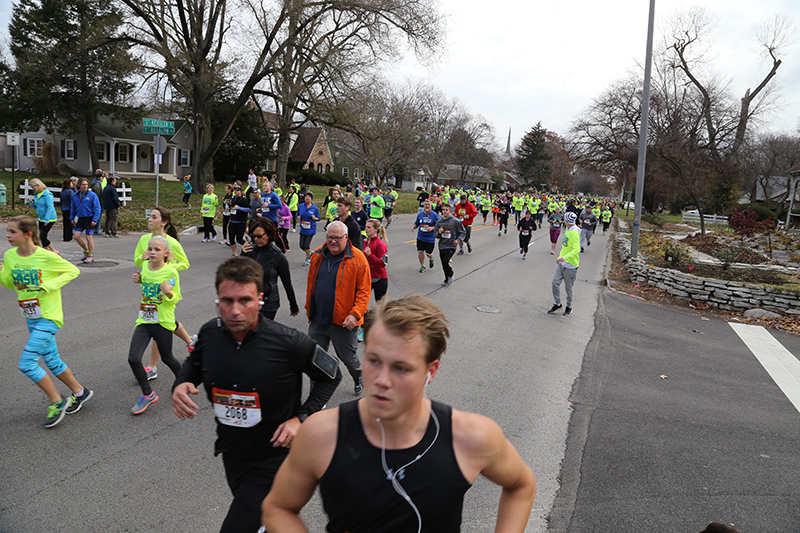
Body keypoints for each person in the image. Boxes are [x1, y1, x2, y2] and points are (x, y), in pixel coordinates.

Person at [262, 294, 537, 532]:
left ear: (431, 371)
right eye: (373, 361)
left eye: (400, 368)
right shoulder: (322, 433)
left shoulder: (471, 436)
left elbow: (521, 485)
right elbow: (278, 507)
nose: (382, 379)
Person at [172, 256, 342, 533]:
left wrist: (302, 418)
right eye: (227, 301)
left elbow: (331, 376)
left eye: (245, 300)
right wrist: (181, 383)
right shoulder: (210, 333)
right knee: (263, 519)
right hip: (233, 452)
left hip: (275, 457)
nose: (235, 311)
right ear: (218, 299)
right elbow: (195, 363)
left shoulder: (290, 342)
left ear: (260, 298)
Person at [0, 216, 94, 427]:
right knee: (52, 361)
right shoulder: (9, 256)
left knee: (27, 363)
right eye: (7, 230)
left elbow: (73, 270)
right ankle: (80, 392)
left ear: (28, 234)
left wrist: (48, 286)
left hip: (49, 317)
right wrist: (1, 274)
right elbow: (12, 284)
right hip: (31, 318)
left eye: (12, 231)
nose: (8, 235)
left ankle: (57, 401)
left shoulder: (45, 257)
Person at [305, 221, 371, 395]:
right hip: (318, 318)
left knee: (348, 358)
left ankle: (358, 376)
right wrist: (308, 308)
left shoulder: (358, 259)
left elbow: (364, 292)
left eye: (337, 238)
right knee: (315, 359)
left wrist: (355, 315)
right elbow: (311, 283)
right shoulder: (318, 254)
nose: (333, 241)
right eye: (330, 237)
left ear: (346, 238)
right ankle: (317, 395)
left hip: (344, 321)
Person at [133, 207, 195, 380]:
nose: (149, 220)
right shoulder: (144, 239)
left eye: (154, 217)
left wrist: (166, 268)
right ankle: (190, 341)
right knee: (162, 321)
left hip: (166, 287)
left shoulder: (172, 243)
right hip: (149, 284)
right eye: (150, 217)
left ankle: (152, 366)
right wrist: (145, 259)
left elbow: (185, 264)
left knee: (160, 323)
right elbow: (137, 260)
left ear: (163, 222)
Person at [128, 236, 183, 414]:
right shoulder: (144, 266)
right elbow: (148, 287)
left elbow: (176, 298)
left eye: (157, 249)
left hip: (163, 322)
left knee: (167, 358)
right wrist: (140, 281)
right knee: (133, 359)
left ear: (166, 253)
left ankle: (183, 382)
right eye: (150, 248)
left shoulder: (171, 273)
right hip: (144, 319)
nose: (152, 252)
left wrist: (168, 293)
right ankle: (148, 394)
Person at [242, 218, 300, 320]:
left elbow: (287, 283)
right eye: (253, 236)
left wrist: (293, 306)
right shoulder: (249, 251)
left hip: (268, 303)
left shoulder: (278, 256)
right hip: (248, 300)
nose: (255, 239)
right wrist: (242, 255)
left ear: (268, 234)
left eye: (259, 236)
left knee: (261, 332)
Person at [548, 211, 580, 316]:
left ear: (567, 220)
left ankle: (569, 306)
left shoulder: (574, 232)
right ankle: (558, 303)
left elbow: (576, 249)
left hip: (570, 265)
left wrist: (564, 258)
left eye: (564, 218)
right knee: (555, 283)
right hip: (561, 263)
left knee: (568, 287)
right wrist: (560, 258)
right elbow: (566, 246)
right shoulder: (568, 229)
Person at [433, 203, 465, 287]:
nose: (444, 211)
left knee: (446, 261)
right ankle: (446, 278)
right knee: (443, 264)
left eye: (446, 210)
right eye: (443, 210)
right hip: (442, 245)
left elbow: (462, 233)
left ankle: (450, 274)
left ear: (450, 211)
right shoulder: (439, 222)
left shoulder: (455, 221)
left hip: (451, 245)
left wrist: (458, 240)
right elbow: (436, 235)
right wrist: (439, 233)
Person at [70, 177, 101, 264]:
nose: (85, 186)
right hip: (81, 218)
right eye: (83, 185)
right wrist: (72, 217)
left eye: (86, 185)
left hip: (89, 218)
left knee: (88, 237)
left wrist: (95, 219)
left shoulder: (92, 195)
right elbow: (73, 207)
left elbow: (97, 208)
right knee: (76, 236)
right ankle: (86, 251)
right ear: (79, 185)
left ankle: (91, 256)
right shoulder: (75, 195)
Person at [27, 178, 58, 254]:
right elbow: (38, 206)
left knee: (42, 236)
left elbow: (50, 208)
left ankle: (54, 251)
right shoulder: (37, 194)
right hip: (41, 218)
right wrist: (31, 203)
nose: (33, 189)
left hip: (50, 218)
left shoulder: (47, 195)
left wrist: (47, 220)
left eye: (33, 187)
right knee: (42, 236)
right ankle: (46, 252)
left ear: (38, 185)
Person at [412, 199, 439, 273]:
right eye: (425, 205)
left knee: (428, 254)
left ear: (431, 206)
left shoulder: (434, 215)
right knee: (420, 252)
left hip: (430, 238)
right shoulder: (420, 214)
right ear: (423, 206)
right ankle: (422, 266)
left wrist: (432, 228)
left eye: (428, 205)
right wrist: (414, 226)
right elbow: (417, 222)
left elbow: (439, 224)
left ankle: (431, 258)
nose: (427, 206)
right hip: (420, 237)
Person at [297, 192, 320, 266]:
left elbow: (318, 218)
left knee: (306, 245)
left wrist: (314, 218)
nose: (307, 198)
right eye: (306, 197)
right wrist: (298, 217)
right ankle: (310, 252)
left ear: (311, 199)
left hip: (311, 229)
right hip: (303, 228)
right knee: (301, 246)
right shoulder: (301, 206)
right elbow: (298, 215)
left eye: (309, 197)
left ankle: (308, 259)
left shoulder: (314, 208)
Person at [228, 185, 252, 256]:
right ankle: (235, 253)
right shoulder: (232, 199)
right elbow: (232, 208)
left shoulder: (243, 200)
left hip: (241, 222)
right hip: (232, 221)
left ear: (241, 192)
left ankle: (249, 247)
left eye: (237, 190)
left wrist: (239, 208)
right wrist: (230, 211)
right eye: (235, 190)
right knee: (231, 239)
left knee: (239, 240)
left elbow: (249, 209)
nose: (235, 191)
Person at [60, 178, 75, 242]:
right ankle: (69, 236)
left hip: (64, 208)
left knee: (65, 223)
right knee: (69, 223)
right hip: (69, 208)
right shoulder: (70, 191)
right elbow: (72, 201)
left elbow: (61, 200)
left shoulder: (62, 191)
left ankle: (65, 236)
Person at [91, 170, 105, 235]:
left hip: (98, 202)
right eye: (102, 177)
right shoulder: (97, 185)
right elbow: (98, 195)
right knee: (98, 216)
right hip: (98, 203)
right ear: (100, 178)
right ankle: (96, 229)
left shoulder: (97, 184)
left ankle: (96, 229)